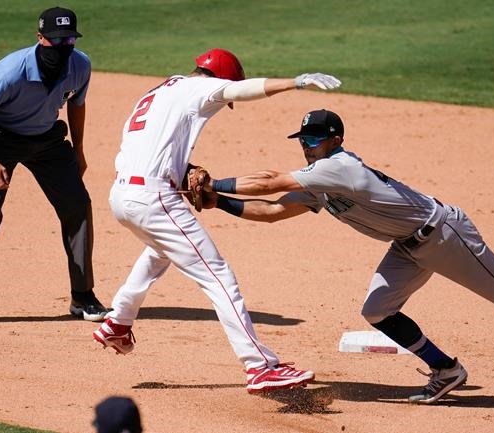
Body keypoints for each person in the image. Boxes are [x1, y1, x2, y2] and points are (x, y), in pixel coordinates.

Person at [204, 108, 494, 403]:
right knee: (377, 311)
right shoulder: (319, 181)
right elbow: (275, 211)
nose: (307, 145)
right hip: (407, 247)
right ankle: (446, 370)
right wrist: (216, 202)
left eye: (314, 138)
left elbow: (267, 184)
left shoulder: (338, 167)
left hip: (444, 234)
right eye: (303, 139)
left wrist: (214, 180)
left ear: (334, 140)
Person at [93, 48, 341, 394]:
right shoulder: (199, 89)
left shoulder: (158, 92)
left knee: (161, 250)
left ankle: (118, 322)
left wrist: (182, 172)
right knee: (218, 276)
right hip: (153, 198)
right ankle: (259, 367)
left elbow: (150, 150)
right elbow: (239, 90)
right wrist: (295, 82)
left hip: (122, 195)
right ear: (220, 78)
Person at [0, 6, 107, 321]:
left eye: (68, 39)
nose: (61, 47)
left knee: (77, 205)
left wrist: (80, 150)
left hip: (48, 140)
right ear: (39, 37)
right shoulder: (10, 71)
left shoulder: (79, 65)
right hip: (0, 137)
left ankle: (83, 297)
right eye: (54, 40)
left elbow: (77, 104)